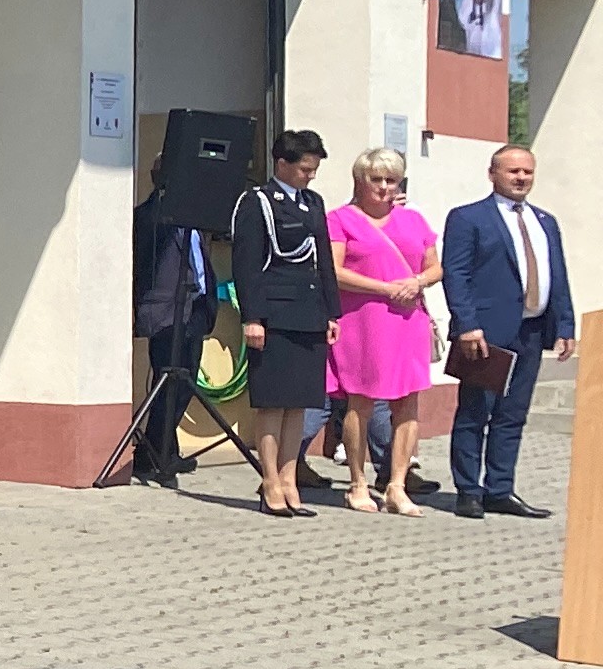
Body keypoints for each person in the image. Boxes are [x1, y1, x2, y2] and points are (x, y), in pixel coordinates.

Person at [443, 141, 576, 516]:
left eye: (527, 171)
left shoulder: (545, 221)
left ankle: (500, 489)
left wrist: (565, 324)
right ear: (493, 174)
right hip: (485, 334)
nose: (521, 178)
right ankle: (468, 490)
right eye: (513, 171)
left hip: (531, 331)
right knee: (475, 413)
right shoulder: (468, 218)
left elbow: (557, 275)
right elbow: (456, 274)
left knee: (512, 415)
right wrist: (467, 324)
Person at [325, 145, 440, 515]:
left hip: (408, 319)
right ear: (360, 180)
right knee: (360, 401)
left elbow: (435, 267)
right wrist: (385, 288)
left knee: (407, 404)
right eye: (377, 179)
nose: (385, 187)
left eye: (392, 180)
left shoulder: (413, 220)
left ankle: (397, 485)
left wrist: (418, 281)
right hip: (363, 319)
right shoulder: (339, 219)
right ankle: (357, 482)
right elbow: (334, 271)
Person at [230, 131, 336, 519]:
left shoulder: (313, 202)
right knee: (273, 403)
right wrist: (252, 317)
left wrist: (332, 313)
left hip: (309, 312)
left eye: (314, 169)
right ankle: (271, 480)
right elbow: (246, 263)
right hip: (275, 314)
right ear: (282, 164)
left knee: (298, 404)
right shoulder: (257, 202)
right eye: (305, 169)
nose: (311, 176)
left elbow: (324, 260)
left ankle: (290, 480)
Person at [127, 190, 220, 488]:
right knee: (166, 384)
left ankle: (161, 449)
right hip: (166, 312)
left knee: (184, 384)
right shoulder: (149, 215)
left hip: (196, 309)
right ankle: (155, 455)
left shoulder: (194, 221)